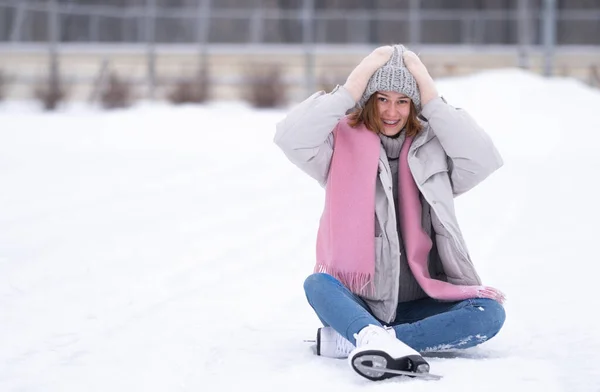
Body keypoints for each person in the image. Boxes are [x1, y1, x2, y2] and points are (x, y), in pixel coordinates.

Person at [273, 44, 506, 381]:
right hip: (362, 302)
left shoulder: (434, 149)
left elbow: (483, 158)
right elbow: (291, 137)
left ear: (415, 105)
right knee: (318, 284)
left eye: (403, 101)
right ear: (368, 101)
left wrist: (430, 95)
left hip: (424, 299)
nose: (391, 112)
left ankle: (373, 341)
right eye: (382, 98)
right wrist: (353, 86)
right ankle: (368, 331)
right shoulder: (338, 147)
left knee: (489, 313)